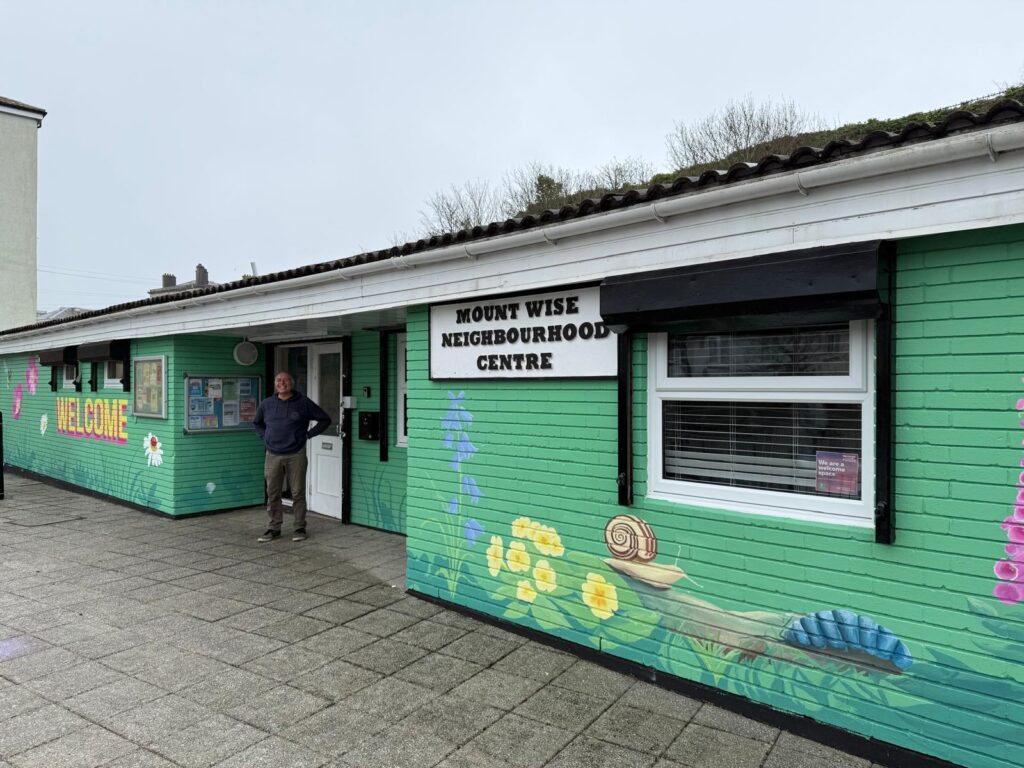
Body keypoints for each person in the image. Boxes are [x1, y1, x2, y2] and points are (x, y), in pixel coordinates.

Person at [253, 371, 332, 542]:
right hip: (272, 454)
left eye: (286, 380)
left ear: (292, 383)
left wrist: (308, 435)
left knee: (297, 492)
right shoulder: (267, 404)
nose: (283, 383)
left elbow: (325, 419)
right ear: (275, 384)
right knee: (272, 492)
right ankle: (274, 528)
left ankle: (299, 527)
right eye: (279, 380)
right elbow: (257, 423)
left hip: (296, 453)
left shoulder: (303, 403)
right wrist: (264, 437)